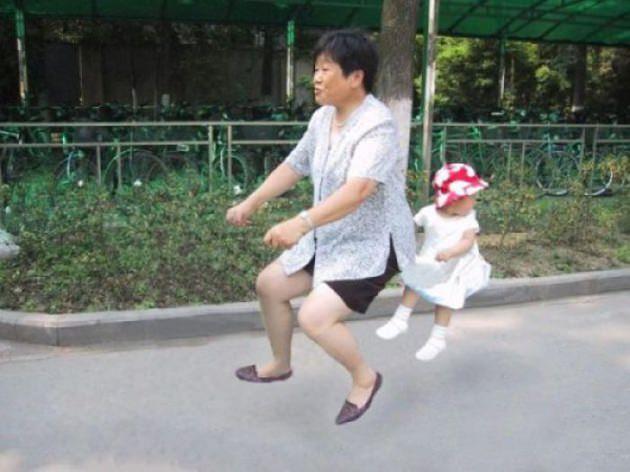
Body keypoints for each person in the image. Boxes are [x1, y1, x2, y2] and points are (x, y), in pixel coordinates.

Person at [225, 30, 415, 425]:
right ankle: (280, 364)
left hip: (373, 242)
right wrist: (252, 202)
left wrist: (302, 222)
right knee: (270, 285)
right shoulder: (323, 117)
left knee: (315, 317)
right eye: (315, 69)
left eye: (325, 70)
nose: (315, 78)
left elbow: (359, 190)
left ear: (355, 77)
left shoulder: (376, 125)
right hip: (331, 232)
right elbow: (295, 164)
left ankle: (365, 379)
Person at [376, 163, 491, 361]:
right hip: (431, 259)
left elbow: (467, 241)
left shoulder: (468, 219)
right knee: (413, 282)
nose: (474, 201)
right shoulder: (429, 213)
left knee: (446, 298)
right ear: (454, 200)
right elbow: (409, 225)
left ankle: (437, 338)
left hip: (457, 267)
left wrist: (451, 252)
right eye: (471, 197)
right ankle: (401, 318)